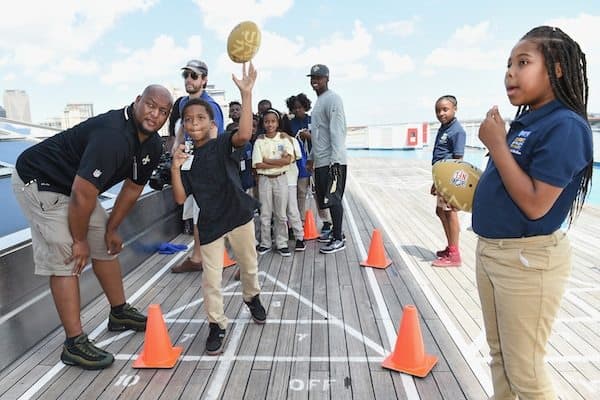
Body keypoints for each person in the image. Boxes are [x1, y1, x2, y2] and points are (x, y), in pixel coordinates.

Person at [11, 85, 173, 370]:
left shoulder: (153, 144)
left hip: (76, 188)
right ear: (137, 101)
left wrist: (112, 228)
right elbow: (82, 195)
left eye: (163, 111)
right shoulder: (112, 136)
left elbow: (133, 189)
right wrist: (78, 240)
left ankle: (119, 312)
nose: (154, 114)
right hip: (40, 181)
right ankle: (74, 344)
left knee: (104, 245)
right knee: (68, 256)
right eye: (150, 105)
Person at [472, 26, 593, 399]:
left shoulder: (566, 125)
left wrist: (496, 144)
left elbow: (536, 203)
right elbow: (509, 182)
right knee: (500, 358)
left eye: (523, 62)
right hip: (494, 252)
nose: (510, 72)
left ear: (557, 69)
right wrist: (465, 190)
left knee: (525, 371)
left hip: (527, 260)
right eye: (508, 64)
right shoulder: (530, 121)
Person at [170, 62, 266, 355]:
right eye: (188, 119)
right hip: (210, 223)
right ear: (183, 126)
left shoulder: (223, 143)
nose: (194, 123)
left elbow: (245, 134)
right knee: (211, 278)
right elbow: (179, 198)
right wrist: (174, 167)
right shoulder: (185, 159)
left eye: (201, 118)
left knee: (248, 266)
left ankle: (252, 297)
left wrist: (247, 94)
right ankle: (216, 324)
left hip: (237, 215)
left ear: (212, 123)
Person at [170, 59, 225, 273]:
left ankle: (241, 259)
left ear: (204, 80)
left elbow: (214, 138)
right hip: (189, 166)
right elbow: (182, 131)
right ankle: (197, 257)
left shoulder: (210, 106)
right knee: (196, 213)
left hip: (206, 168)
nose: (189, 79)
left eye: (194, 75)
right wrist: (176, 149)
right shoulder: (184, 103)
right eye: (186, 75)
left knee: (212, 214)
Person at [306, 64, 348, 254]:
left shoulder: (333, 99)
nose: (315, 80)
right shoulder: (319, 101)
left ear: (327, 78)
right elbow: (318, 134)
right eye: (312, 77)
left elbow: (337, 131)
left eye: (319, 77)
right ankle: (335, 232)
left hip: (333, 161)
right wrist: (311, 157)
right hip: (321, 161)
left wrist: (335, 160)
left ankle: (339, 238)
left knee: (334, 198)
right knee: (326, 199)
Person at [286, 93, 332, 233]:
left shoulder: (314, 120)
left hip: (316, 161)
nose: (297, 110)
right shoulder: (290, 124)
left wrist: (309, 136)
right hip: (299, 164)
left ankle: (326, 221)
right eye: (295, 108)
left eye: (300, 107)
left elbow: (322, 140)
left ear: (305, 107)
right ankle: (300, 221)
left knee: (319, 192)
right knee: (300, 193)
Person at [252, 109, 295, 257]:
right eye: (267, 121)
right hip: (264, 180)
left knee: (281, 214)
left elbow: (288, 160)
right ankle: (265, 243)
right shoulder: (259, 141)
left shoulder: (284, 139)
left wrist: (268, 161)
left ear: (277, 123)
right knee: (265, 213)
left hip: (281, 178)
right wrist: (279, 163)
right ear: (263, 123)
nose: (270, 124)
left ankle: (282, 243)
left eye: (273, 121)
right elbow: (258, 164)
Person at [430, 95, 466, 267]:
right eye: (438, 110)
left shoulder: (457, 131)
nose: (441, 113)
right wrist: (435, 182)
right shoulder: (444, 128)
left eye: (445, 109)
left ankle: (454, 254)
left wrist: (453, 187)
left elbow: (458, 160)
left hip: (449, 180)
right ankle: (451, 246)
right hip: (441, 179)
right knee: (440, 211)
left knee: (450, 212)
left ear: (454, 109)